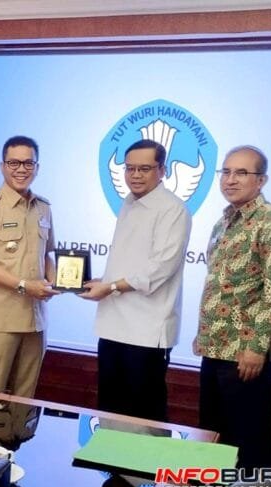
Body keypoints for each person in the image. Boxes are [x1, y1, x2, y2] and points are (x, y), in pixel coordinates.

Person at [193, 145, 271, 471]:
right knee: (215, 431)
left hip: (247, 353)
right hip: (216, 347)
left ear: (261, 180)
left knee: (249, 437)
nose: (230, 179)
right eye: (226, 172)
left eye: (241, 172)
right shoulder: (224, 221)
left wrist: (256, 347)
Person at [79, 139, 190, 422]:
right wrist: (102, 281)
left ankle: (142, 468)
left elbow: (161, 267)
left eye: (144, 168)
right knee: (109, 408)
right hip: (113, 325)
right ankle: (111, 466)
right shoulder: (129, 202)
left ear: (162, 170)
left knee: (142, 413)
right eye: (130, 169)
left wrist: (112, 286)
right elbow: (131, 259)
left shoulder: (172, 209)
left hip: (147, 331)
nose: (136, 175)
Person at [0, 136, 58, 398]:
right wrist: (24, 286)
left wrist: (56, 281)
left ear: (37, 167)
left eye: (28, 163)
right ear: (2, 166)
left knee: (24, 398)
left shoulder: (43, 208)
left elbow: (47, 255)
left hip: (35, 321)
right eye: (14, 163)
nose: (21, 169)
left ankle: (16, 440)